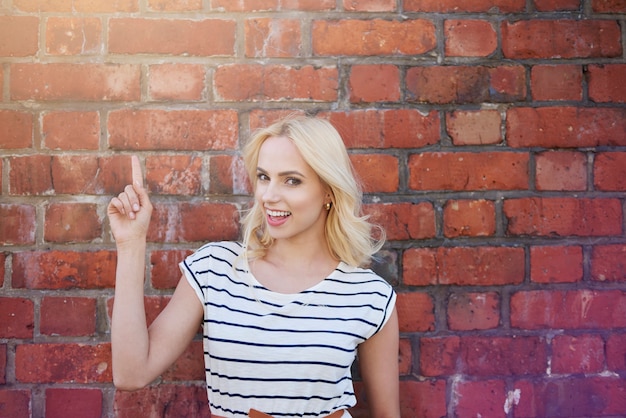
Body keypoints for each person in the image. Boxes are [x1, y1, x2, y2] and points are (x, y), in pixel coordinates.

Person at [108, 116, 400, 417]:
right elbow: (131, 374)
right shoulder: (216, 269)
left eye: (292, 180)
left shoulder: (369, 296)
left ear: (328, 190)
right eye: (263, 177)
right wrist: (130, 245)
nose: (269, 195)